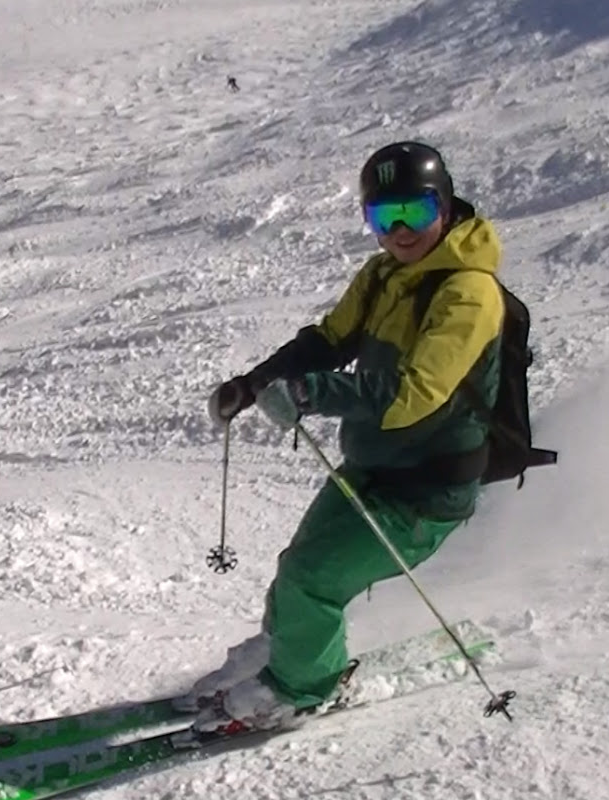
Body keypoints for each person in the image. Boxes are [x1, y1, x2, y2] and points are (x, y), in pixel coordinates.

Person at [181, 141, 505, 732]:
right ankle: (284, 649)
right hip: (375, 467)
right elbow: (330, 340)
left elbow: (416, 392)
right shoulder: (384, 276)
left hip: (426, 490)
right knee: (298, 566)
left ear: (445, 206)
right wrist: (255, 384)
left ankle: (301, 688)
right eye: (384, 217)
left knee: (313, 579)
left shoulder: (469, 293)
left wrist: (311, 394)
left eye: (415, 212)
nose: (400, 232)